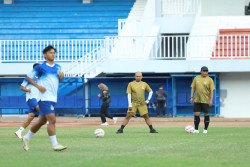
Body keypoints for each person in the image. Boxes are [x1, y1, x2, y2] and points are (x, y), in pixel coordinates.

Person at [22, 45, 67, 151]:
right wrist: (38, 87)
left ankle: (26, 137)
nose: (53, 54)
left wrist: (61, 77)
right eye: (51, 52)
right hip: (43, 98)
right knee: (52, 119)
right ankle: (55, 144)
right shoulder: (40, 67)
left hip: (53, 97)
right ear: (45, 55)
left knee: (41, 121)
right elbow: (29, 77)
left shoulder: (58, 67)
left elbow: (58, 81)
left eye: (54, 53)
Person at [14, 63, 40, 139]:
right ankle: (48, 121)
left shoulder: (40, 78)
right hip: (31, 98)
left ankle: (19, 131)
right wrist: (28, 90)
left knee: (30, 117)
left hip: (37, 99)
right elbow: (22, 87)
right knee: (41, 109)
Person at [190, 66, 215, 134]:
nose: (205, 72)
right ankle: (196, 129)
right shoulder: (196, 78)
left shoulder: (210, 80)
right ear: (201, 71)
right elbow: (193, 88)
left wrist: (211, 100)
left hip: (206, 100)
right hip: (197, 100)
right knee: (196, 114)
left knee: (206, 114)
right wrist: (191, 97)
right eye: (203, 71)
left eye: (206, 71)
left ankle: (205, 129)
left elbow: (211, 91)